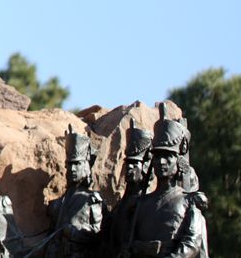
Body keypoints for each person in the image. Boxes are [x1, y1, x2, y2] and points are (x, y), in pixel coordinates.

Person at [127, 106, 208, 257]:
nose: (161, 162)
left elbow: (192, 243)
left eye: (167, 156)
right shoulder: (141, 204)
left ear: (178, 162)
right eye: (157, 156)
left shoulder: (189, 202)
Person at [44, 127, 105, 257]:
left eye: (77, 164)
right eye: (70, 164)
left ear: (86, 166)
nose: (72, 169)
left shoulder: (92, 199)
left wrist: (73, 233)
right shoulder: (60, 202)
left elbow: (97, 234)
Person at [106, 120, 152, 253]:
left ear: (144, 168)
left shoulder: (149, 205)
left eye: (135, 163)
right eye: (128, 163)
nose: (129, 167)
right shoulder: (120, 205)